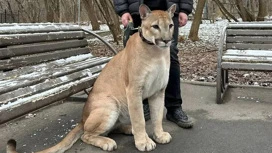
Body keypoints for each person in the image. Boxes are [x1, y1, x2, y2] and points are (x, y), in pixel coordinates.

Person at [113, 0, 194, 129]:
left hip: (168, 11)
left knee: (171, 55)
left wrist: (184, 9)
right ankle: (143, 104)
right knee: (136, 61)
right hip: (139, 11)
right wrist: (123, 10)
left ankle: (174, 107)